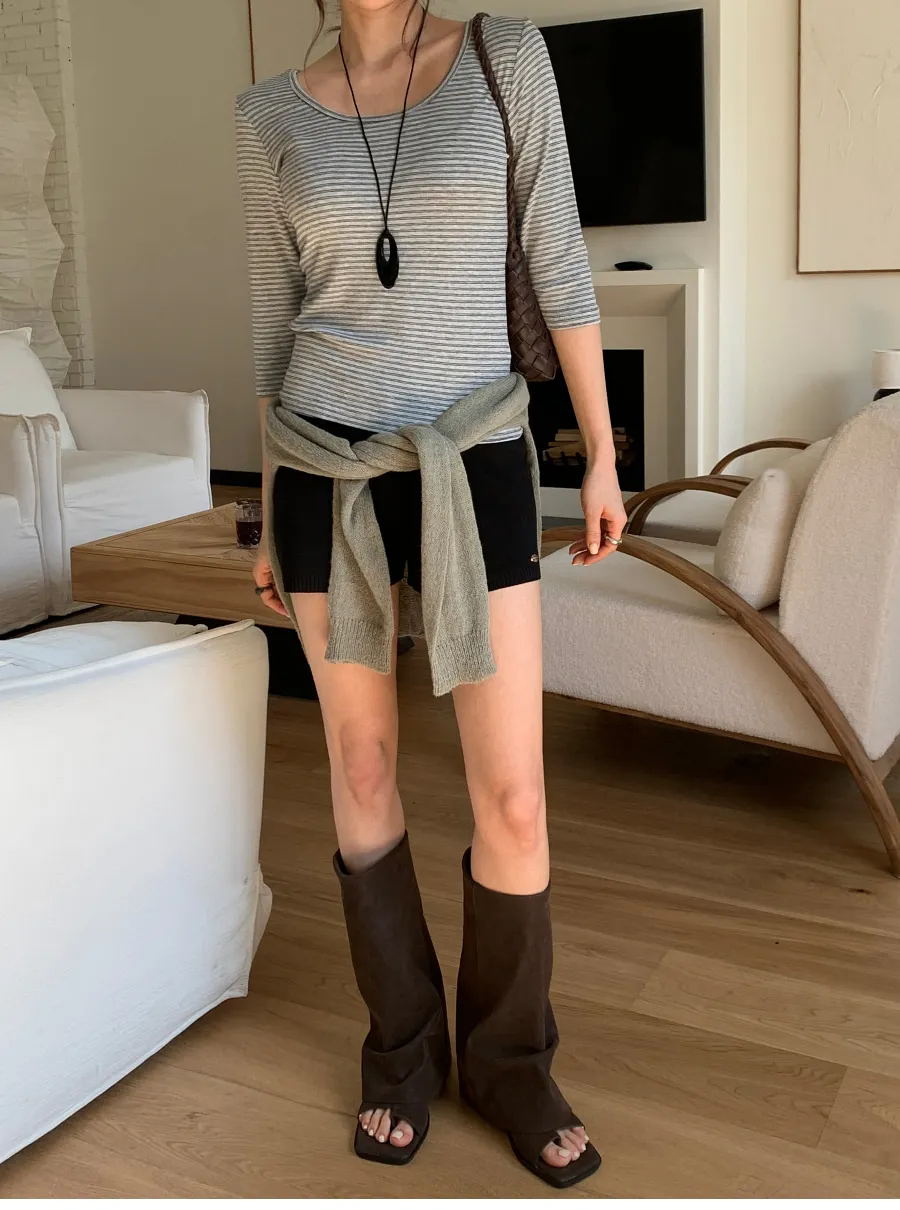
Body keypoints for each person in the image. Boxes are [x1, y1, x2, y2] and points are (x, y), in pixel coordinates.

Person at [236, 0, 625, 1189]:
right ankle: (402, 1050)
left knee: (514, 794)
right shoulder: (267, 114)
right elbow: (272, 324)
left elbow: (558, 257)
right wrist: (268, 500)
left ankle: (509, 1061)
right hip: (324, 466)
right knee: (360, 772)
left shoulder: (504, 56)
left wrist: (600, 453)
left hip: (478, 455)